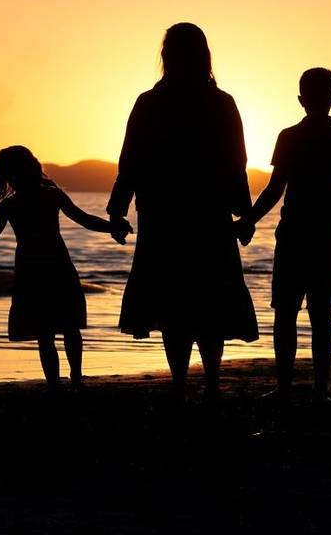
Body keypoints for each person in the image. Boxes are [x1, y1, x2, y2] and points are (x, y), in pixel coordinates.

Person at [108, 22, 259, 400]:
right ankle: (209, 382)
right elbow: (236, 161)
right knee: (209, 304)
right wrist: (243, 211)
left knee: (173, 305)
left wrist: (117, 208)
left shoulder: (150, 102)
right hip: (209, 216)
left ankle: (179, 383)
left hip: (163, 217)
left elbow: (130, 160)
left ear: (166, 56)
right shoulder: (221, 102)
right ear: (205, 56)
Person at [236, 68, 331, 402]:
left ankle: (283, 387)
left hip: (294, 234)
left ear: (300, 100)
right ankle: (320, 390)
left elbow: (275, 188)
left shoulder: (290, 136)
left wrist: (250, 219)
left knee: (286, 312)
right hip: (326, 237)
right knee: (321, 314)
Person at [0, 146, 131, 391]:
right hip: (57, 264)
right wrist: (113, 227)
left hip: (31, 270)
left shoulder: (11, 205)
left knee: (45, 332)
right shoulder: (50, 195)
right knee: (69, 326)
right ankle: (76, 378)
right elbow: (85, 219)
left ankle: (55, 385)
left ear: (9, 175)